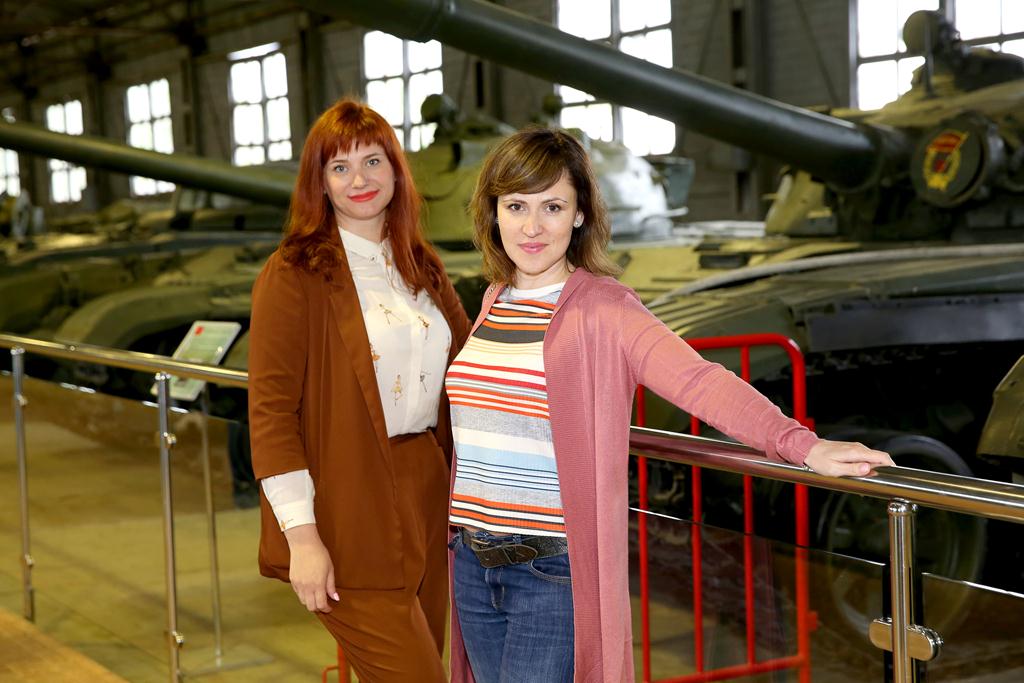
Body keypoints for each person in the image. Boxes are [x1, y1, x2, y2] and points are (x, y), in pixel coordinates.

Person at [444, 127, 894, 683]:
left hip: (549, 572)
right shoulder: (496, 300)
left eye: (552, 207)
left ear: (580, 214)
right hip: (472, 562)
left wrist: (802, 444)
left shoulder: (605, 309)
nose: (531, 227)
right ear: (494, 213)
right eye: (516, 206)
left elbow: (700, 382)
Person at [247, 99, 470, 682]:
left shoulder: (422, 264)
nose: (359, 179)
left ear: (395, 169)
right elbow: (271, 413)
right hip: (346, 500)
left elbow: (469, 365)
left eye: (373, 161)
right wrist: (303, 538)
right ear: (319, 183)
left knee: (426, 658)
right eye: (339, 167)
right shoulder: (295, 272)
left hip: (427, 489)